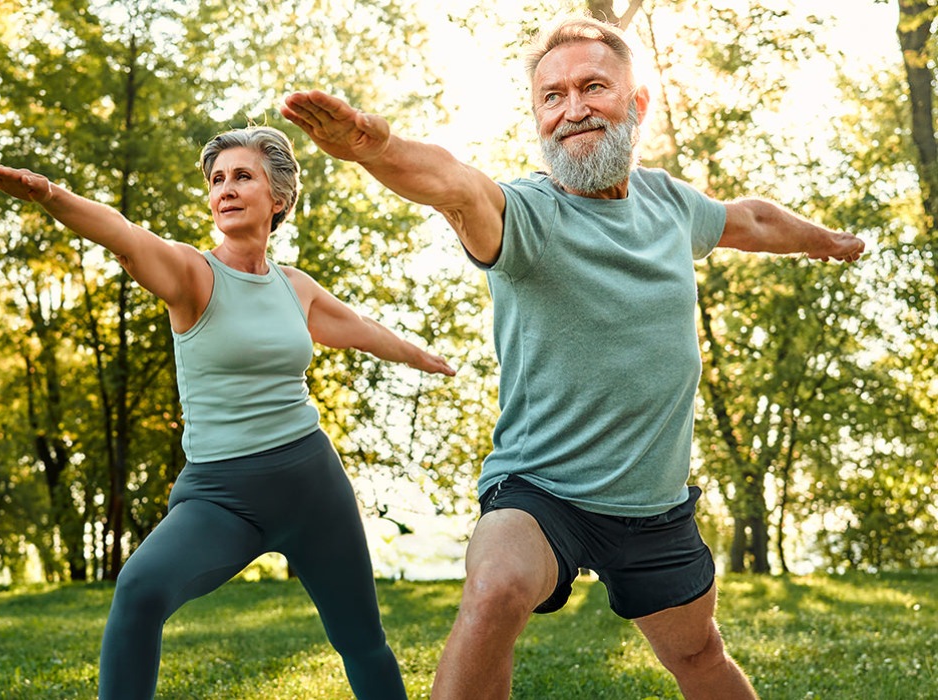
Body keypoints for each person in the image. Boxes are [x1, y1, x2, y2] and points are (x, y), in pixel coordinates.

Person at [281, 16, 864, 700]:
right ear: (537, 118)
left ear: (637, 103)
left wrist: (824, 240)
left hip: (654, 503)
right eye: (551, 97)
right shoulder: (526, 216)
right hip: (541, 492)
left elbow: (753, 219)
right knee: (496, 587)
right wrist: (376, 149)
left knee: (700, 654)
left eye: (593, 87)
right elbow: (454, 184)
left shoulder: (669, 204)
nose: (573, 109)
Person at [0, 125, 455, 700]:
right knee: (140, 589)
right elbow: (124, 236)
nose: (225, 189)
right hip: (223, 495)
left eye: (242, 176)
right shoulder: (192, 276)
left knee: (361, 640)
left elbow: (359, 330)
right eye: (217, 180)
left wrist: (422, 357)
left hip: (313, 486)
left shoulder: (294, 287)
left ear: (277, 199)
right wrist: (50, 195)